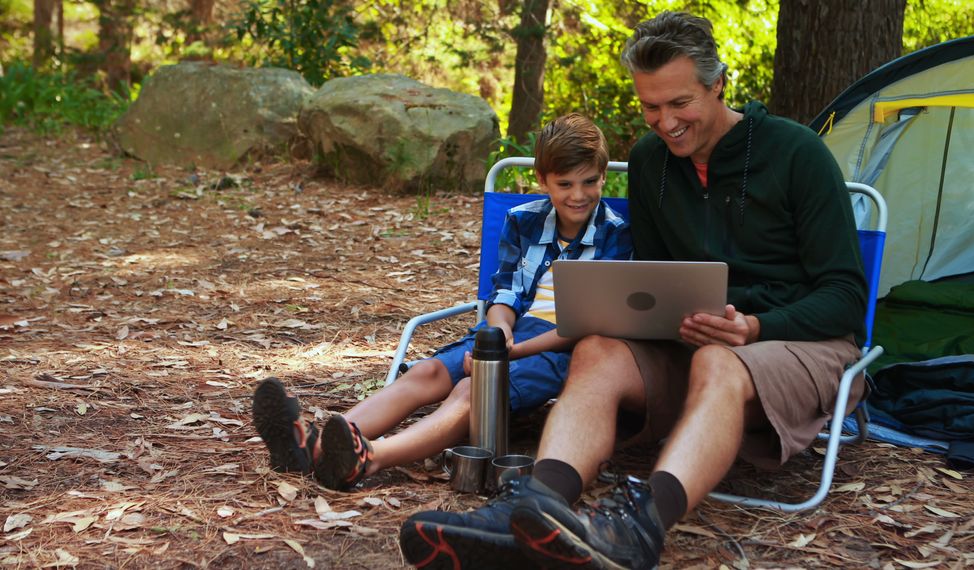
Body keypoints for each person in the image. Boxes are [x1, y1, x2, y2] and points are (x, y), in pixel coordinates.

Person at [398, 11, 868, 570]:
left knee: (720, 361)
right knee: (597, 350)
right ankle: (537, 508)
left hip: (799, 341)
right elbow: (651, 278)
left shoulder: (797, 154)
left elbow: (845, 296)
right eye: (651, 107)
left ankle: (641, 528)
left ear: (718, 84)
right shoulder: (650, 164)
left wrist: (756, 326)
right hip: (689, 338)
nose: (665, 123)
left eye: (680, 103)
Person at [251, 112, 633, 496]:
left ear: (604, 176)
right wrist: (498, 334)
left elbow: (591, 324)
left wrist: (508, 353)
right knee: (428, 372)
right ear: (543, 181)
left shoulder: (617, 234)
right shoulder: (524, 221)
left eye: (589, 181)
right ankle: (313, 447)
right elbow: (504, 294)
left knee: (473, 390)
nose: (578, 194)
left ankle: (369, 458)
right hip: (511, 331)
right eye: (564, 184)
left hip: (563, 347)